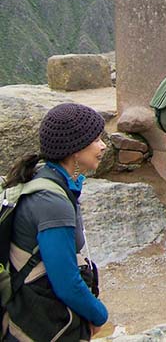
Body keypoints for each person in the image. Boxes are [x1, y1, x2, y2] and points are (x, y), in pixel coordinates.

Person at [3, 103, 108, 341]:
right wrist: (99, 314)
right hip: (38, 325)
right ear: (75, 150)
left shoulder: (49, 179)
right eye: (95, 139)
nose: (102, 146)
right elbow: (66, 282)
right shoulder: (52, 202)